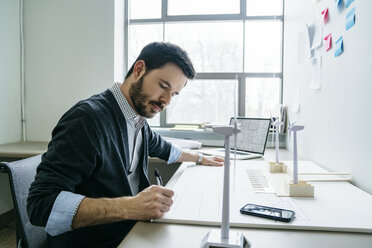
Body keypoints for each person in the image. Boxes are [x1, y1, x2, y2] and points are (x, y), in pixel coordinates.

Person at [27, 42, 224, 247]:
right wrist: (131, 206)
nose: (166, 101)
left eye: (174, 94)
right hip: (95, 242)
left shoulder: (137, 120)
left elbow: (163, 147)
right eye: (163, 86)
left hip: (128, 232)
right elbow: (41, 205)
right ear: (139, 70)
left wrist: (201, 158)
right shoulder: (87, 120)